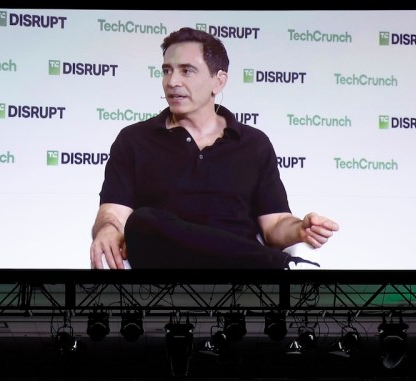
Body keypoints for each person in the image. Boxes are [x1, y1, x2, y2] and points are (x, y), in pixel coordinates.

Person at [89, 26, 339, 272]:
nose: (172, 82)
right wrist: (107, 228)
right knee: (143, 221)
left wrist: (300, 229)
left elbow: (275, 224)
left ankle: (274, 265)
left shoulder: (253, 143)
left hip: (236, 272)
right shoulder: (134, 139)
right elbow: (113, 213)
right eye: (167, 71)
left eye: (186, 71)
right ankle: (281, 266)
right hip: (166, 268)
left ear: (218, 81)